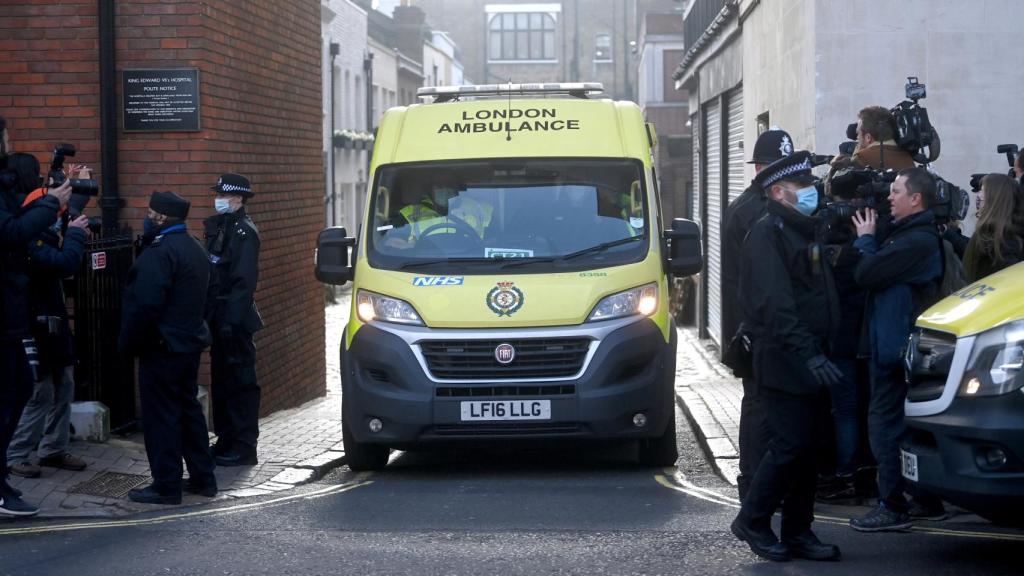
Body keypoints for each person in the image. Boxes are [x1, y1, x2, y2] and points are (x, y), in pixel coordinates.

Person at [731, 151, 842, 562]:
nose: (812, 191)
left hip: (811, 355)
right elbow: (776, 306)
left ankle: (799, 529)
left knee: (808, 448)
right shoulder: (767, 234)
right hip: (784, 358)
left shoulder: (801, 229)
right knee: (789, 444)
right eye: (803, 187)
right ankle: (753, 520)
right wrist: (808, 354)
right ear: (779, 192)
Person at [849, 167, 944, 531]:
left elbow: (865, 274)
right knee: (906, 428)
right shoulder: (907, 235)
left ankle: (892, 506)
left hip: (894, 352)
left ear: (916, 198)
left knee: (885, 427)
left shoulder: (915, 242)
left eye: (896, 191)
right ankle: (924, 499)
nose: (889, 197)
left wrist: (865, 239)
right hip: (892, 348)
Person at [121, 191, 217, 505]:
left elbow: (143, 306)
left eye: (150, 213)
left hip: (161, 349)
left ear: (161, 217)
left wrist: (128, 343)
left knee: (161, 418)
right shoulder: (196, 249)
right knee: (189, 413)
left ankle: (166, 485)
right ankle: (204, 479)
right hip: (188, 346)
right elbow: (209, 300)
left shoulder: (159, 253)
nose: (146, 218)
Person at [1, 120, 72, 517]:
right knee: (25, 390)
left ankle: (11, 472)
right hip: (20, 312)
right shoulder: (17, 203)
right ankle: (12, 465)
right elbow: (16, 233)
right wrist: (51, 204)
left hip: (20, 312)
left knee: (31, 388)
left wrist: (58, 202)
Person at [721, 127, 794, 502]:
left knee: (772, 406)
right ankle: (751, 478)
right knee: (758, 404)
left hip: (770, 324)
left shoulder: (767, 207)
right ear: (763, 169)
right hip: (756, 325)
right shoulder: (749, 212)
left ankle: (764, 479)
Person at [6, 153, 90, 479]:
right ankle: (17, 453)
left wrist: (76, 192)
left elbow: (67, 219)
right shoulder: (28, 237)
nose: (57, 216)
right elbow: (63, 262)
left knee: (65, 384)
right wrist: (76, 235)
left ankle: (53, 449)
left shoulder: (44, 226)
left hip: (53, 320)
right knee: (38, 392)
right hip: (32, 322)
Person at [204, 173, 264, 467]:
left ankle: (243, 446)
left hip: (234, 319)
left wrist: (231, 321)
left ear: (238, 199)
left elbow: (243, 282)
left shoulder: (244, 232)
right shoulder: (223, 227)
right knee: (222, 383)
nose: (219, 200)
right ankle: (226, 440)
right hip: (219, 316)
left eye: (224, 196)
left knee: (240, 383)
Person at [963, 173, 1023, 282]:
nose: (979, 195)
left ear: (995, 198)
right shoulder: (990, 233)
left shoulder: (1006, 242)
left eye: (983, 191)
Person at [851, 106, 916, 171]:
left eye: (858, 133)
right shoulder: (908, 158)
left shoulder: (863, 157)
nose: (857, 137)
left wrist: (856, 152)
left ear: (868, 138)